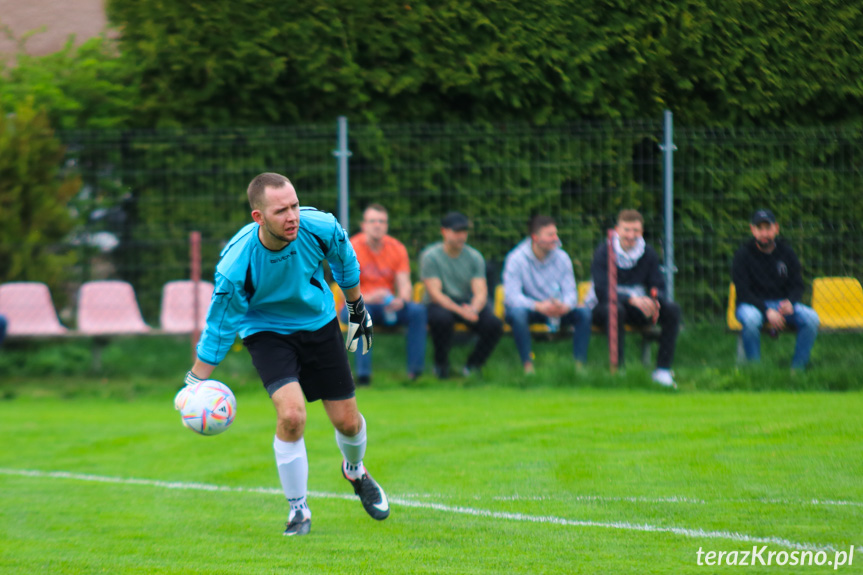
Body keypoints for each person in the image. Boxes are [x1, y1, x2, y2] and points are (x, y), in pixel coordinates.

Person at [174, 172, 388, 537]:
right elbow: (221, 326)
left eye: (294, 205)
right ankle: (297, 510)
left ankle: (355, 471)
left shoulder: (319, 226)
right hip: (267, 332)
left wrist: (355, 309)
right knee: (292, 415)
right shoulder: (237, 264)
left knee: (348, 423)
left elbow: (345, 261)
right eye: (280, 211)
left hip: (319, 323)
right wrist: (194, 382)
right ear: (259, 217)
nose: (292, 216)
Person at [585, 209, 681, 387]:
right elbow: (601, 290)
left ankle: (662, 371)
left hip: (638, 307)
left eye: (635, 230)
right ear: (616, 230)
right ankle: (619, 370)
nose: (631, 235)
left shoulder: (648, 253)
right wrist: (630, 299)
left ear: (641, 232)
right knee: (616, 310)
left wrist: (654, 299)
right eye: (626, 230)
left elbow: (658, 285)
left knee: (672, 310)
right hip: (604, 306)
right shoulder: (603, 252)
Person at [344, 203, 427, 383]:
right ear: (364, 225)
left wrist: (402, 300)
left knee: (417, 311)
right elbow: (345, 287)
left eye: (382, 221)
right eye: (373, 221)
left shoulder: (396, 248)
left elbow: (405, 283)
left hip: (387, 306)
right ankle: (363, 376)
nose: (377, 225)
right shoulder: (351, 248)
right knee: (362, 312)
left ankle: (415, 374)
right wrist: (368, 297)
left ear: (387, 226)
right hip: (357, 304)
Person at [502, 215, 592, 374]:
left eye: (555, 234)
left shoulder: (563, 258)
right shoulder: (516, 259)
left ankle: (579, 368)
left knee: (584, 313)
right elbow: (511, 296)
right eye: (550, 235)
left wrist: (565, 305)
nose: (555, 238)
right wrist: (537, 306)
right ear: (535, 238)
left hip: (557, 309)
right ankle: (528, 367)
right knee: (517, 314)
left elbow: (571, 291)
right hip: (531, 310)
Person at [732, 208, 819, 370]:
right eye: (760, 229)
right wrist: (767, 311)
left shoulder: (787, 252)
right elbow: (743, 292)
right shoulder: (742, 255)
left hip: (781, 305)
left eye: (768, 228)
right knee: (751, 321)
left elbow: (798, 285)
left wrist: (791, 302)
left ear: (776, 228)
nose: (764, 233)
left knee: (811, 318)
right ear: (753, 230)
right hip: (751, 306)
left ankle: (797, 371)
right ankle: (755, 371)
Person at [420, 211, 503, 378]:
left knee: (494, 324)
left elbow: (480, 291)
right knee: (441, 320)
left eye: (464, 231)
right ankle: (441, 365)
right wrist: (460, 311)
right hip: (440, 304)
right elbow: (435, 294)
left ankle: (473, 366)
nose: (462, 236)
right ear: (444, 232)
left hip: (466, 303)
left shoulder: (475, 257)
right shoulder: (430, 257)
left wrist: (473, 308)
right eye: (457, 231)